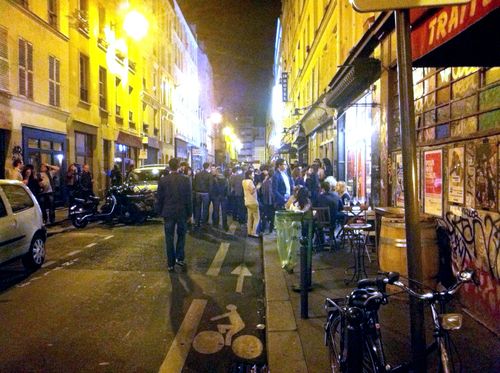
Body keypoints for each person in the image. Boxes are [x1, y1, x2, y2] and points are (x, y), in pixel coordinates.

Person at [156, 158, 193, 272]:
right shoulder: (186, 180)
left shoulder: (163, 180)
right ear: (178, 166)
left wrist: (159, 212)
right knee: (181, 235)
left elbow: (159, 198)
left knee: (169, 237)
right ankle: (180, 258)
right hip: (181, 212)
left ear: (169, 166)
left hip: (168, 212)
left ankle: (170, 263)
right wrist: (189, 213)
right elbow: (188, 198)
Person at [193, 162, 212, 228]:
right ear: (208, 166)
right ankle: (204, 223)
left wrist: (195, 190)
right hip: (205, 193)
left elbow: (194, 183)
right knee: (205, 209)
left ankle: (196, 222)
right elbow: (210, 185)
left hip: (198, 193)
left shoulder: (197, 174)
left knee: (197, 208)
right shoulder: (209, 175)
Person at [242, 169, 260, 237]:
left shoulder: (243, 181)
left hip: (247, 201)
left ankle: (249, 231)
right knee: (257, 218)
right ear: (249, 175)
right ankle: (253, 232)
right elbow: (252, 191)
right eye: (252, 174)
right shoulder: (250, 181)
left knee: (249, 217)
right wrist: (257, 187)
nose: (253, 175)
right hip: (253, 201)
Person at [260, 168, 275, 234]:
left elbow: (262, 192)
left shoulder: (265, 182)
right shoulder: (272, 182)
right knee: (272, 216)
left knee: (265, 216)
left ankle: (263, 229)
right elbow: (272, 193)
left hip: (265, 201)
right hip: (271, 202)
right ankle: (270, 230)